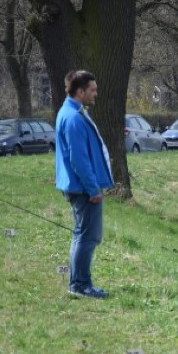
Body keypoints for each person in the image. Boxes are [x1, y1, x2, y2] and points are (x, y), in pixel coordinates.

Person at [55, 70, 114, 299]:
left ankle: (78, 283)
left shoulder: (72, 112)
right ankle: (80, 285)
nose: (96, 94)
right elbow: (78, 159)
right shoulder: (72, 118)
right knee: (87, 237)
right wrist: (93, 189)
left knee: (82, 234)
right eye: (92, 90)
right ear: (80, 91)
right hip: (83, 189)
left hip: (79, 187)